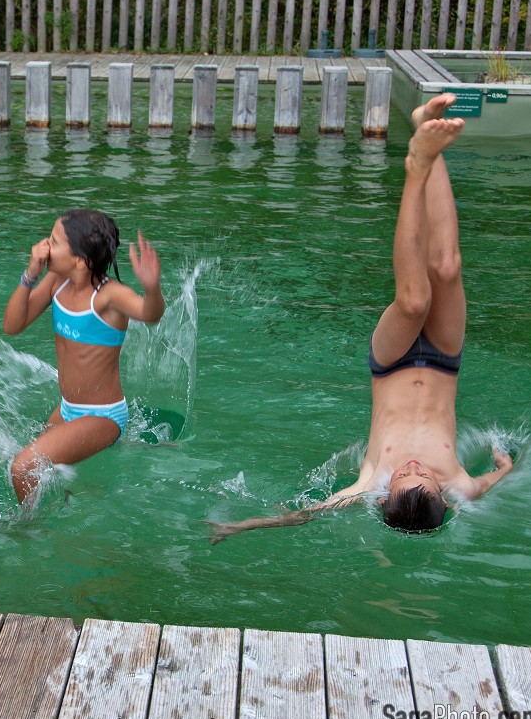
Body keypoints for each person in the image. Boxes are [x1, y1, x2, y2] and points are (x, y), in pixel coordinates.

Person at [208, 94, 512, 543]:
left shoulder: (367, 484)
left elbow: (307, 512)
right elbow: (491, 481)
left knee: (413, 302)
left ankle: (418, 167)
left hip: (391, 361)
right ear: (444, 498)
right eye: (422, 476)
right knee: (446, 266)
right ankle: (426, 127)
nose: (412, 468)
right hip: (445, 358)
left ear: (384, 497)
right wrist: (506, 467)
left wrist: (241, 525)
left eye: (403, 477)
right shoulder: (461, 486)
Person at [2, 209, 164, 507]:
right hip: (67, 408)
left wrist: (152, 287)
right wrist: (30, 275)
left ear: (79, 260)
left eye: (54, 240)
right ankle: (68, 499)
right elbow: (12, 326)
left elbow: (150, 315)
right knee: (29, 460)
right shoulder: (55, 282)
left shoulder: (109, 296)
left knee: (22, 466)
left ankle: (29, 529)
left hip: (102, 416)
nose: (44, 245)